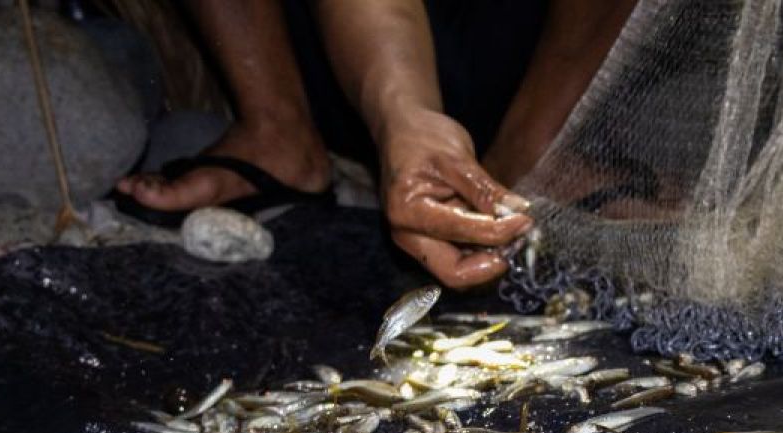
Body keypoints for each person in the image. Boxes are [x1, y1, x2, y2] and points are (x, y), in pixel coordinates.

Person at [116, 0, 634, 288]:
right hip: (342, 55)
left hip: (528, 45)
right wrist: (404, 116)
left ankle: (533, 145)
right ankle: (277, 126)